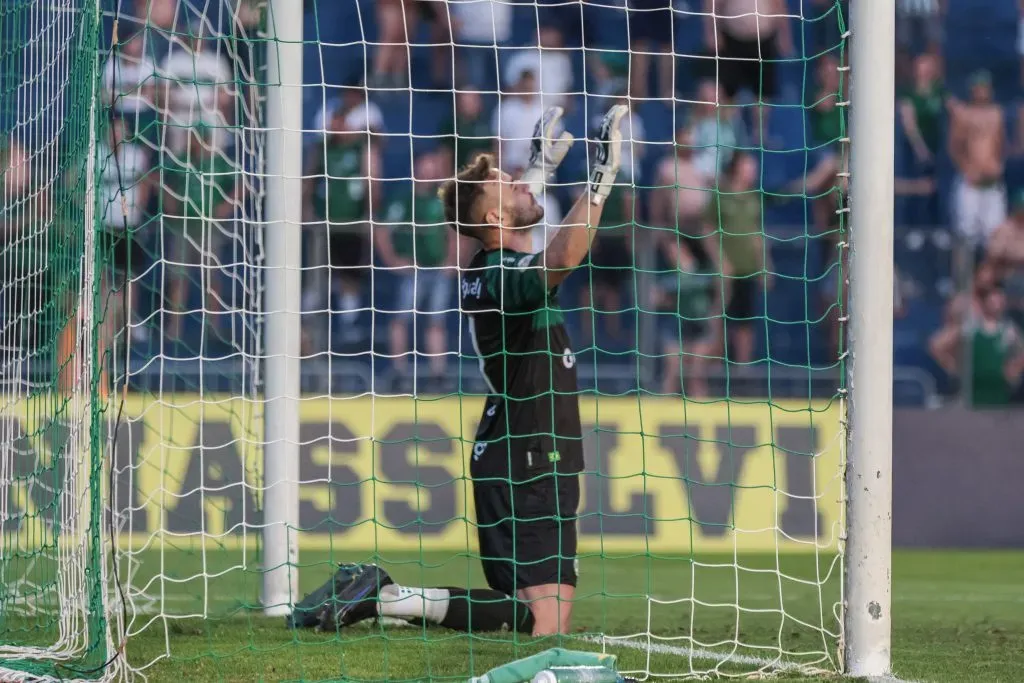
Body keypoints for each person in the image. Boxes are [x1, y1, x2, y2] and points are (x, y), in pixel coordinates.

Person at [290, 105, 628, 637]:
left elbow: (510, 227)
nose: (522, 186)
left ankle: (391, 598)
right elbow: (560, 255)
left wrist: (537, 170)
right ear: (494, 219)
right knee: (544, 626)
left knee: (526, 616)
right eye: (512, 185)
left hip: (521, 451)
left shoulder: (489, 266)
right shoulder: (503, 275)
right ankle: (389, 599)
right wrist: (601, 179)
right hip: (530, 456)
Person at [377, 151, 457, 376]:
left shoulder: (443, 200)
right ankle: (399, 373)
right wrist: (392, 260)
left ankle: (437, 375)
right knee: (401, 320)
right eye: (425, 167)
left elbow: (455, 233)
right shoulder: (403, 199)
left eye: (433, 168)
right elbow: (381, 230)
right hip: (412, 271)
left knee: (437, 322)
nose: (428, 173)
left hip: (439, 270)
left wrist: (452, 261)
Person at [929, 286, 1024, 407]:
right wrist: (954, 367)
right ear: (984, 303)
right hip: (971, 394)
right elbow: (936, 345)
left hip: (999, 395)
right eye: (993, 301)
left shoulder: (1009, 330)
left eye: (1000, 301)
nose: (997, 304)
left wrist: (1013, 369)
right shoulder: (970, 328)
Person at [948, 70, 1006, 248]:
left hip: (991, 182)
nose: (981, 91)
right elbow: (954, 146)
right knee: (965, 237)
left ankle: (991, 276)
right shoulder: (963, 114)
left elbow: (1000, 144)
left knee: (995, 236)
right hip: (970, 182)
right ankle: (962, 276)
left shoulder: (997, 113)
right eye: (978, 87)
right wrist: (966, 168)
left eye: (985, 87)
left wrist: (999, 165)